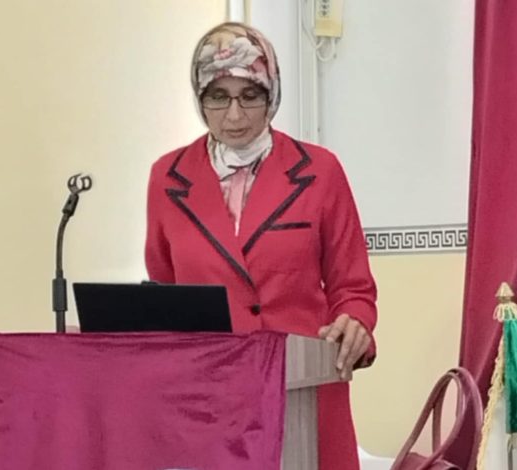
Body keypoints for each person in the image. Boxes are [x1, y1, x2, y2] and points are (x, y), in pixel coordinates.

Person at [145, 22, 377, 470]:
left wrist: (355, 322)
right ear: (199, 97)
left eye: (249, 95)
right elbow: (165, 292)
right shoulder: (167, 179)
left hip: (303, 388)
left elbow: (354, 287)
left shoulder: (320, 171)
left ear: (272, 95)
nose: (234, 115)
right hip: (210, 398)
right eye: (218, 96)